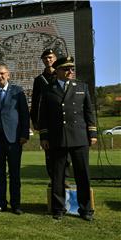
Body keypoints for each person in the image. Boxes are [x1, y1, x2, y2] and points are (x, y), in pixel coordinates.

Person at [39, 56, 97, 221]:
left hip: (79, 137)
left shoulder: (81, 87)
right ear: (57, 71)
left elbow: (88, 112)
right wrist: (44, 136)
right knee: (58, 176)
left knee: (83, 175)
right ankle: (58, 209)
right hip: (58, 138)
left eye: (71, 68)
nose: (70, 71)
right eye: (66, 69)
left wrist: (92, 133)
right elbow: (43, 116)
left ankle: (86, 210)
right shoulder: (48, 90)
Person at [0, 64, 30, 215]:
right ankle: (1, 203)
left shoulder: (18, 91)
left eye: (2, 74)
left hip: (14, 139)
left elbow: (24, 115)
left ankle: (16, 205)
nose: (0, 76)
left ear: (8, 75)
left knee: (15, 173)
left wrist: (24, 135)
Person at [30, 49, 71, 184]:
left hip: (64, 120)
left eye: (50, 57)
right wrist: (35, 121)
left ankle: (64, 178)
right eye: (46, 58)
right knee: (49, 152)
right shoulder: (39, 80)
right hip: (47, 121)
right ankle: (54, 179)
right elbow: (35, 102)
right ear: (42, 60)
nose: (48, 60)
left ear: (55, 59)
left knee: (65, 151)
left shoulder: (63, 76)